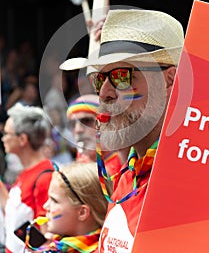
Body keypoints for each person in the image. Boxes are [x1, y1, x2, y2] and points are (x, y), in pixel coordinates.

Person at [60, 8, 184, 252]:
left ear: (169, 81)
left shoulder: (191, 180)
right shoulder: (127, 175)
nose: (104, 93)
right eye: (100, 78)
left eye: (121, 76)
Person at [0, 103, 54, 253]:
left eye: (7, 133)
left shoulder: (45, 178)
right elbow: (15, 214)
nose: (3, 138)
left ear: (22, 139)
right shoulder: (26, 172)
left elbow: (46, 240)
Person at [25, 161, 111, 252]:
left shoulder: (104, 249)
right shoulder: (57, 245)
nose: (45, 206)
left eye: (54, 200)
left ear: (82, 212)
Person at [67, 94, 125, 175]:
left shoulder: (124, 164)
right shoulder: (76, 166)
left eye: (86, 121)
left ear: (105, 125)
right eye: (72, 124)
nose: (78, 130)